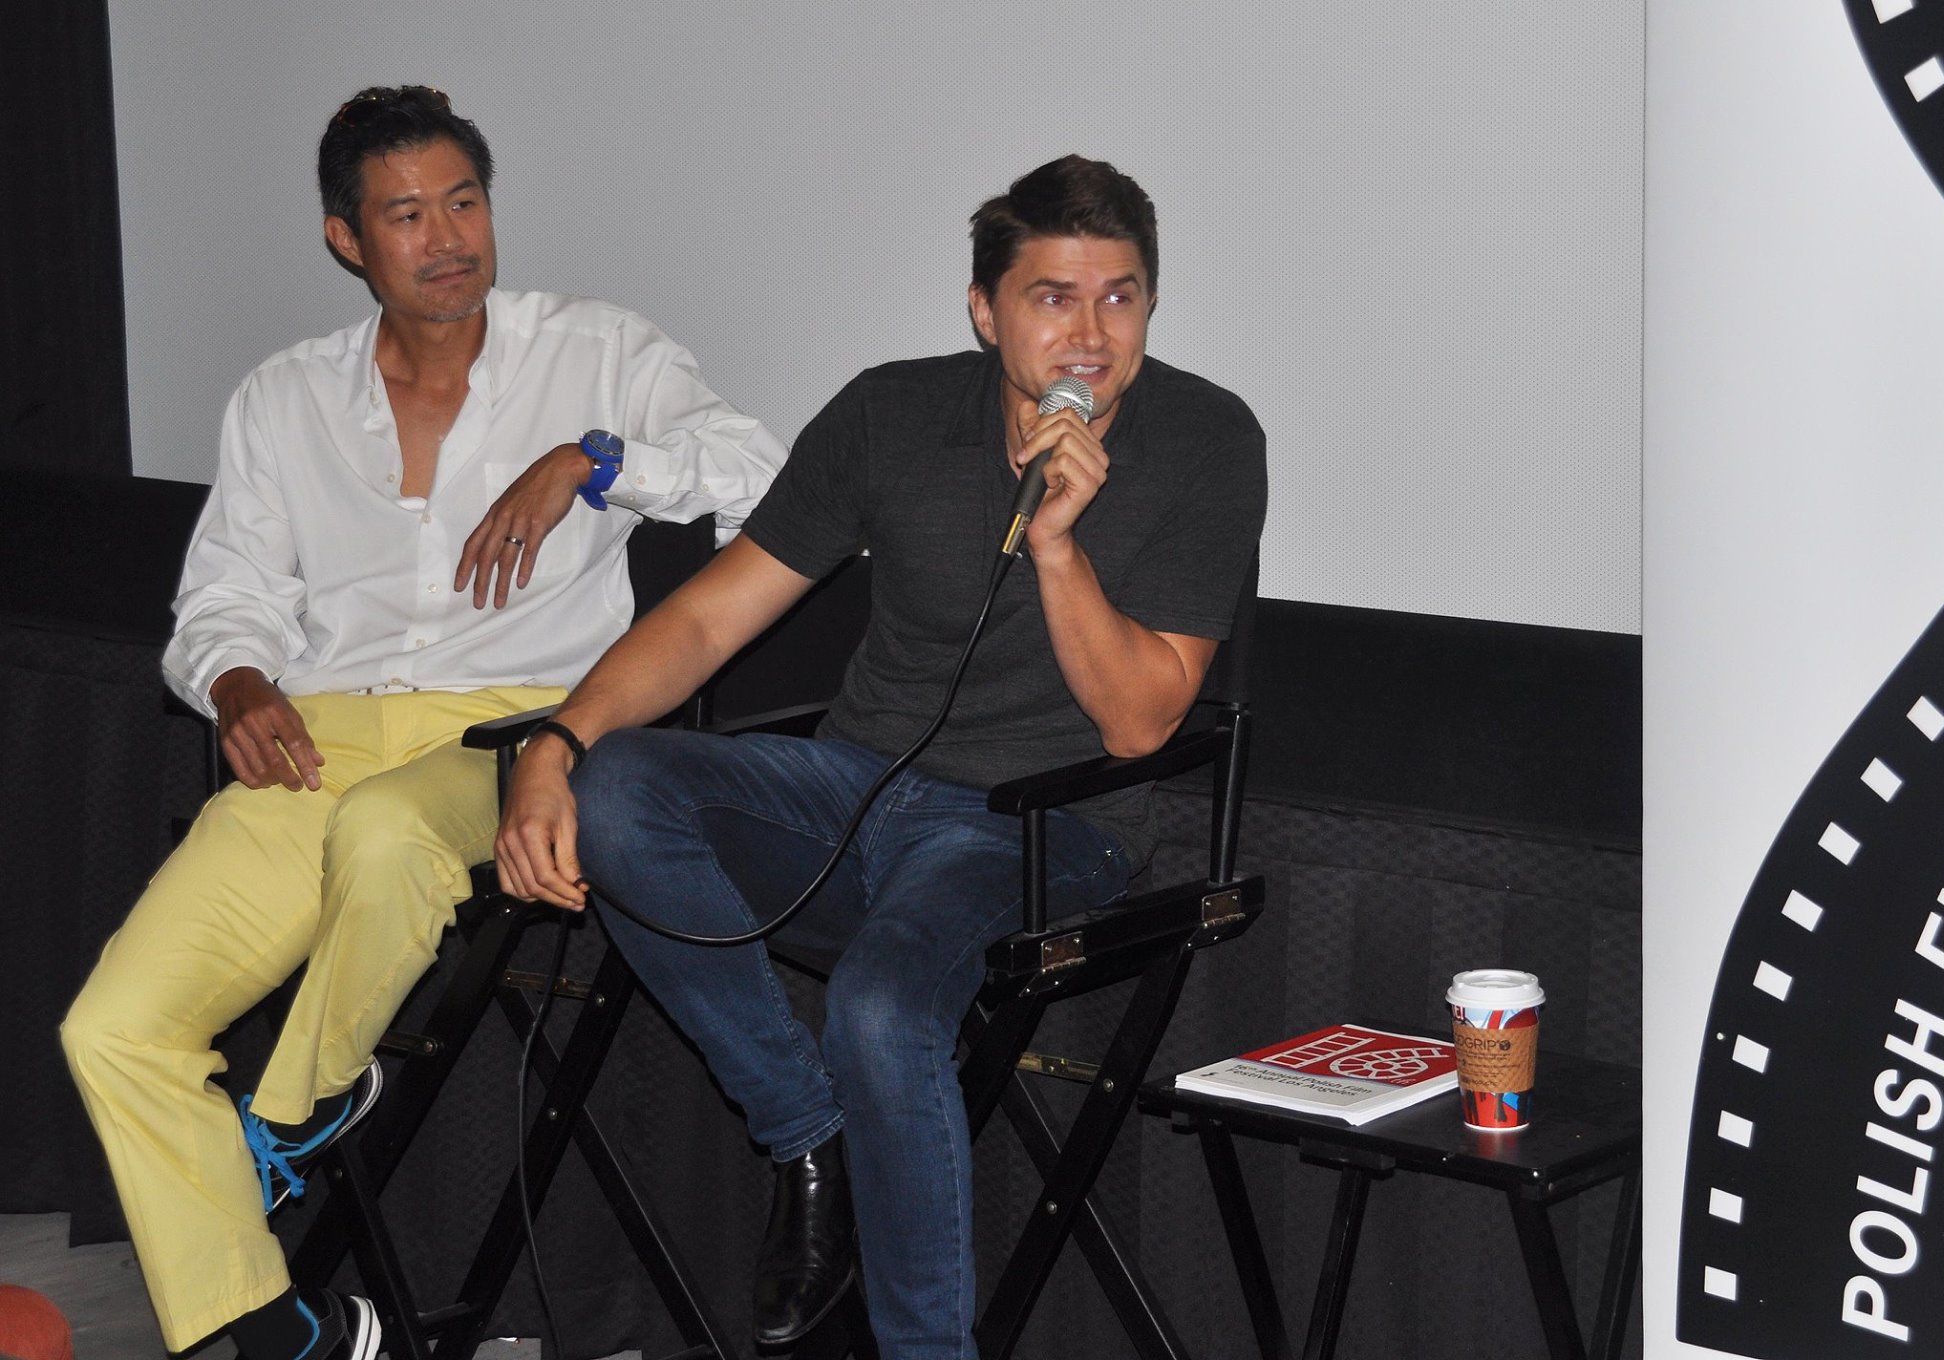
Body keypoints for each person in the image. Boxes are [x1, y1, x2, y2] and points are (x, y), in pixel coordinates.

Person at [495, 154, 1266, 1359]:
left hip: (1048, 826)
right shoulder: (888, 413)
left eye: (1118, 296)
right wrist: (553, 746)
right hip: (856, 792)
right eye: (1052, 297)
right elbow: (706, 619)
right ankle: (811, 1133)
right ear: (983, 309)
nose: (1089, 334)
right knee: (616, 787)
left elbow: (1138, 725)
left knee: (881, 998)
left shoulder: (1207, 438)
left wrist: (1059, 547)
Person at [59, 85, 785, 1360]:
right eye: (407, 213)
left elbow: (758, 468)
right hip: (319, 737)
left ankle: (302, 1107)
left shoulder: (594, 349)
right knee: (113, 1028)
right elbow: (224, 595)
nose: (448, 235)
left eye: (465, 201)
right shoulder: (282, 398)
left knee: (393, 833)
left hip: (517, 736)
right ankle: (279, 1330)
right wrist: (233, 679)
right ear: (348, 238)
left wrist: (595, 460)